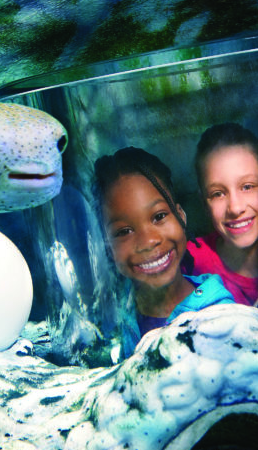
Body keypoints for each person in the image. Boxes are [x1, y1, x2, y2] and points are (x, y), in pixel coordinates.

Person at [94, 147, 234, 343]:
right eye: (124, 231)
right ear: (107, 248)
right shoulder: (113, 310)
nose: (148, 241)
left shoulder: (220, 315)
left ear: (181, 216)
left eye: (159, 217)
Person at [183, 123, 258, 305]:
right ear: (204, 203)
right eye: (218, 194)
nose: (235, 208)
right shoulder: (190, 261)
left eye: (247, 187)